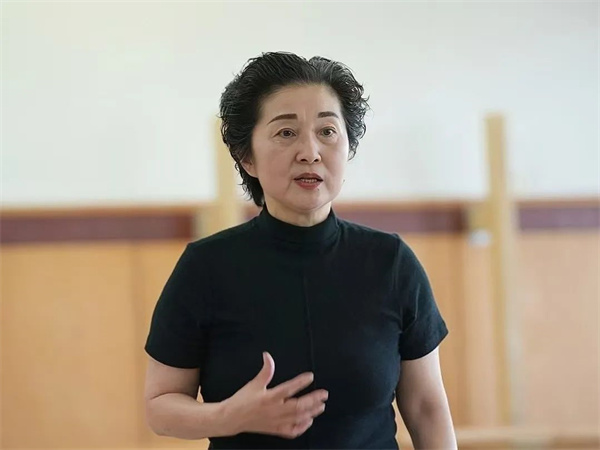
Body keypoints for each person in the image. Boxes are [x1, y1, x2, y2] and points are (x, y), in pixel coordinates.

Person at [144, 52, 457, 449]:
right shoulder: (206, 267)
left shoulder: (391, 262)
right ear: (247, 157)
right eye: (286, 133)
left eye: (327, 131)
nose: (310, 151)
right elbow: (161, 406)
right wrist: (228, 416)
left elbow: (427, 406)